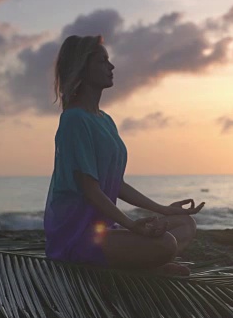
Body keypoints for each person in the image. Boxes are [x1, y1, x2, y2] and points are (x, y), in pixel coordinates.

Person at [43, 35, 204, 276]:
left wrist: (164, 210)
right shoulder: (74, 120)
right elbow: (90, 189)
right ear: (82, 68)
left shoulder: (105, 120)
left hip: (107, 229)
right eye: (102, 61)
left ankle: (141, 261)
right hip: (78, 236)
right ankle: (146, 266)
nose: (111, 67)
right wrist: (132, 225)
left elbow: (116, 184)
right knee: (166, 244)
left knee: (185, 224)